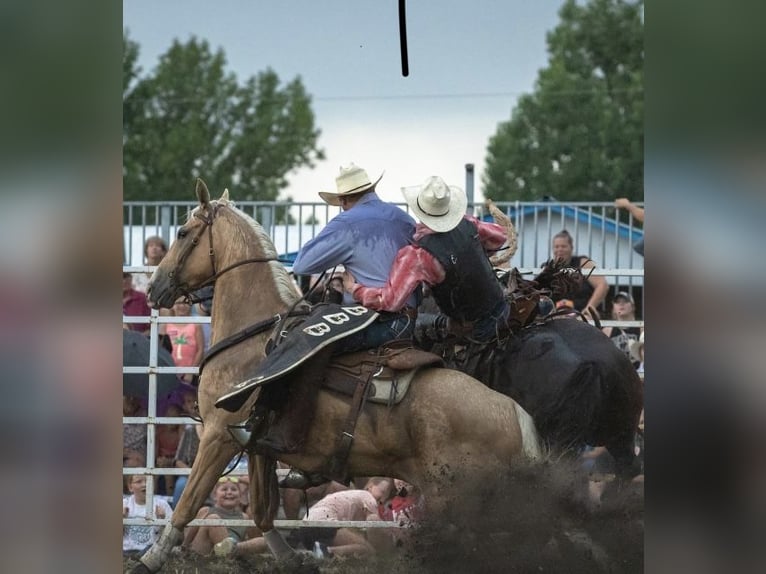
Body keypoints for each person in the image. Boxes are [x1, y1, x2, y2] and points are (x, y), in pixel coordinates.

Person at [219, 163, 418, 473]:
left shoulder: (347, 222)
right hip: (413, 318)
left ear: (343, 199)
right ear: (371, 190)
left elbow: (304, 264)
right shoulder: (404, 219)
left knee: (305, 342)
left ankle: (289, 433)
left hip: (376, 319)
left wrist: (344, 259)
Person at [344, 175, 509, 343]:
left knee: (418, 324)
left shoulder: (417, 256)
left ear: (420, 209)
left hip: (472, 329)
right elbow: (500, 237)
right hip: (502, 308)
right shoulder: (468, 223)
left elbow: (390, 301)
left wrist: (354, 289)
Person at [214, 477, 392, 558]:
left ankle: (235, 548)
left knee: (278, 545)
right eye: (382, 491)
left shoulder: (353, 498)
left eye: (387, 494)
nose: (383, 497)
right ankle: (324, 552)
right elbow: (372, 522)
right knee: (368, 550)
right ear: (369, 486)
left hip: (309, 523)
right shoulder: (368, 497)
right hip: (322, 523)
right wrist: (391, 534)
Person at [548, 229, 609, 319]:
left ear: (571, 248)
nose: (560, 249)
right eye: (556, 247)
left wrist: (590, 307)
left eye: (563, 246)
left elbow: (603, 285)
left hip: (582, 315)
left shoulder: (582, 262)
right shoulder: (548, 268)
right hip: (556, 316)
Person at [183, 476, 251, 556]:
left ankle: (231, 552)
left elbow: (245, 540)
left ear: (240, 496)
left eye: (234, 489)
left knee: (263, 540)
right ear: (214, 495)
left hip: (235, 550)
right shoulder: (205, 511)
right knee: (213, 519)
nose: (229, 492)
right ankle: (229, 555)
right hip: (205, 550)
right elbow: (190, 535)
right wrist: (184, 547)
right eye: (224, 489)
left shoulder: (244, 517)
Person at [123, 474, 174, 556]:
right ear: (130, 487)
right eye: (139, 481)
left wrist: (162, 520)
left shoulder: (162, 505)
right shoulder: (124, 504)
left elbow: (174, 537)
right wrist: (122, 519)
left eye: (148, 481)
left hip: (152, 553)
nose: (144, 484)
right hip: (127, 553)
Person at [163, 298, 204, 384]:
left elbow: (200, 349)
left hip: (190, 374)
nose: (182, 306)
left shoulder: (196, 325)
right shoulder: (166, 324)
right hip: (170, 372)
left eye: (185, 303)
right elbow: (162, 349)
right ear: (172, 306)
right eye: (178, 303)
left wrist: (190, 371)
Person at [601, 291, 642, 369]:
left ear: (633, 306)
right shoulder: (607, 330)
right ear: (613, 308)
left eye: (625, 301)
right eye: (617, 302)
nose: (621, 304)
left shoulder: (642, 328)